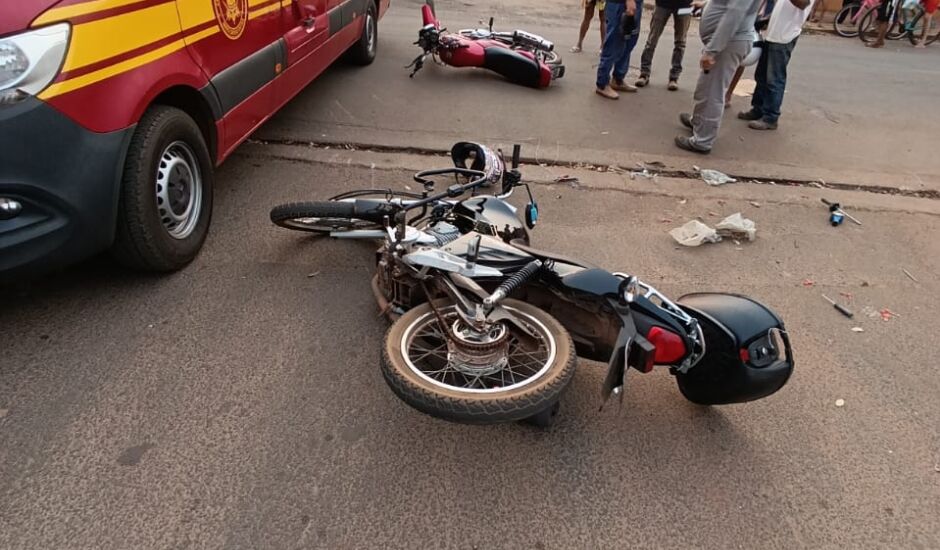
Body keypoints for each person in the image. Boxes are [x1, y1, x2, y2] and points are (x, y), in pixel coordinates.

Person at [674, 0, 763, 153]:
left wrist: (712, 51)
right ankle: (699, 123)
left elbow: (735, 12)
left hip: (730, 42)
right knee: (706, 87)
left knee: (713, 91)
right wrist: (707, 4)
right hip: (728, 41)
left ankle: (702, 141)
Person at [738, 0, 814, 130]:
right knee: (761, 76)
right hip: (772, 34)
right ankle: (758, 109)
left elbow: (803, 3)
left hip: (784, 36)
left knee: (774, 79)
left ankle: (770, 117)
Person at [635, 0, 694, 90]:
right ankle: (644, 73)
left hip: (685, 5)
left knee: (680, 42)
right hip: (662, 4)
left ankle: (674, 77)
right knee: (651, 41)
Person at [596, 0, 643, 99]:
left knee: (629, 40)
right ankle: (602, 83)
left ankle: (618, 79)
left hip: (635, 3)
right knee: (614, 42)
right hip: (620, 3)